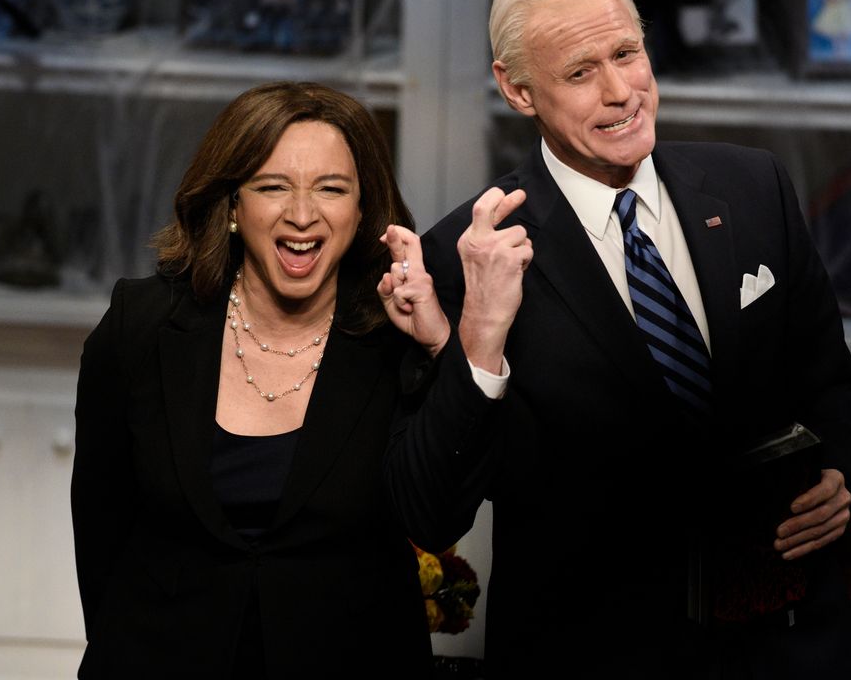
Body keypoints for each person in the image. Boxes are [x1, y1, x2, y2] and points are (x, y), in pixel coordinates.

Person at [385, 0, 851, 678]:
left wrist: (836, 471)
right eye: (580, 73)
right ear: (517, 90)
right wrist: (480, 334)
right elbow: (433, 511)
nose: (621, 92)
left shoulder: (753, 186)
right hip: (593, 650)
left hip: (788, 639)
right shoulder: (464, 258)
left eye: (627, 53)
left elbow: (829, 383)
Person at [70, 81, 527, 677]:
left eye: (332, 189)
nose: (303, 214)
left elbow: (437, 519)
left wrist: (451, 345)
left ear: (362, 210)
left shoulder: (399, 335)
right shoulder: (143, 325)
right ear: (233, 204)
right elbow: (101, 532)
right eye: (273, 187)